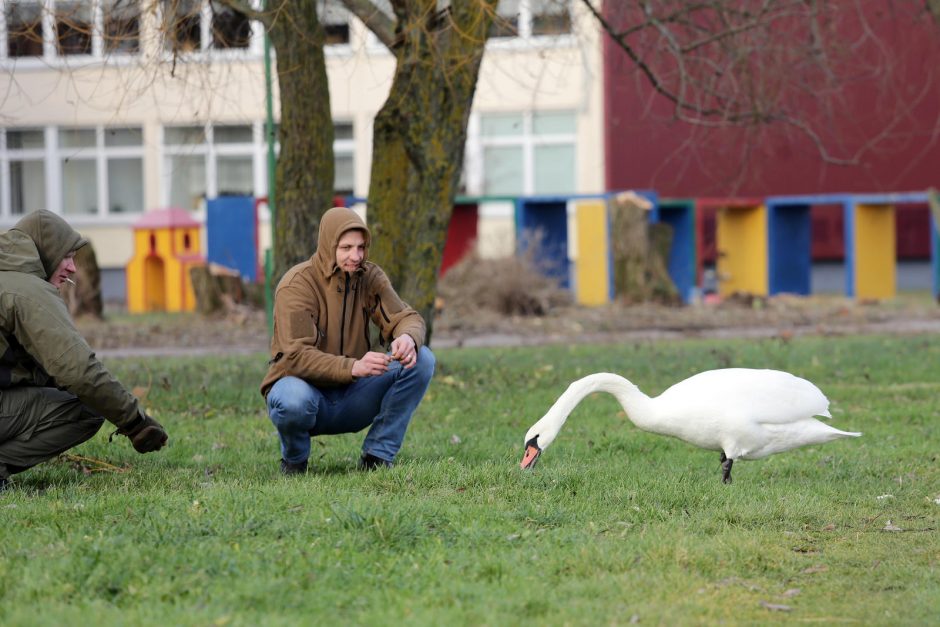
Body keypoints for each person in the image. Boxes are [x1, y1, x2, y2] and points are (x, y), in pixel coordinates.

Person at [0, 210, 168, 492]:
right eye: (66, 255)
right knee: (86, 410)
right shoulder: (27, 289)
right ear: (46, 250)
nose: (72, 267)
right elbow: (79, 372)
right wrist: (135, 422)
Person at [261, 206, 435, 474]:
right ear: (328, 245)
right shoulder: (296, 285)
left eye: (361, 247)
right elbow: (294, 357)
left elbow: (405, 317)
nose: (356, 256)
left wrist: (407, 338)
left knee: (422, 359)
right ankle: (295, 460)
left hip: (353, 395)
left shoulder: (369, 277)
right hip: (307, 396)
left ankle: (377, 456)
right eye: (346, 248)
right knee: (292, 398)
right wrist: (352, 366)